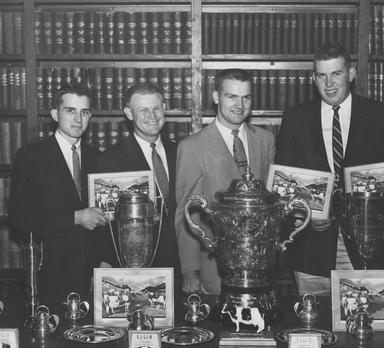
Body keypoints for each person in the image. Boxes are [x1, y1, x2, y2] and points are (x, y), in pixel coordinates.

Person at [275, 42, 384, 295]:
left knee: (364, 323)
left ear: (351, 74)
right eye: (322, 75)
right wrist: (306, 215)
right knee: (314, 324)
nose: (329, 83)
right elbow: (284, 187)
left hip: (366, 246)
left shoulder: (381, 116)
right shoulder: (294, 119)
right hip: (311, 249)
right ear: (314, 79)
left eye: (336, 74)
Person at [175, 68, 275, 294]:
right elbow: (186, 213)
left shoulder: (266, 140)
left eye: (246, 97)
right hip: (214, 269)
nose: (240, 105)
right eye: (231, 96)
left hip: (260, 269)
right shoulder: (192, 147)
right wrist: (189, 272)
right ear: (216, 97)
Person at [9, 83, 106, 306]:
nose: (78, 119)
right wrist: (75, 217)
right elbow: (20, 218)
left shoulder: (98, 158)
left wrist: (104, 264)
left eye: (84, 112)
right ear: (55, 114)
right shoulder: (30, 157)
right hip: (50, 276)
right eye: (70, 110)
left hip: (94, 274)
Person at [96, 83, 180, 289]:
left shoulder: (182, 152)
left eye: (157, 108)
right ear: (129, 113)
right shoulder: (109, 160)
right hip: (132, 267)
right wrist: (105, 262)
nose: (152, 115)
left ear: (164, 108)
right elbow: (104, 222)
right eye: (143, 110)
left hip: (180, 266)